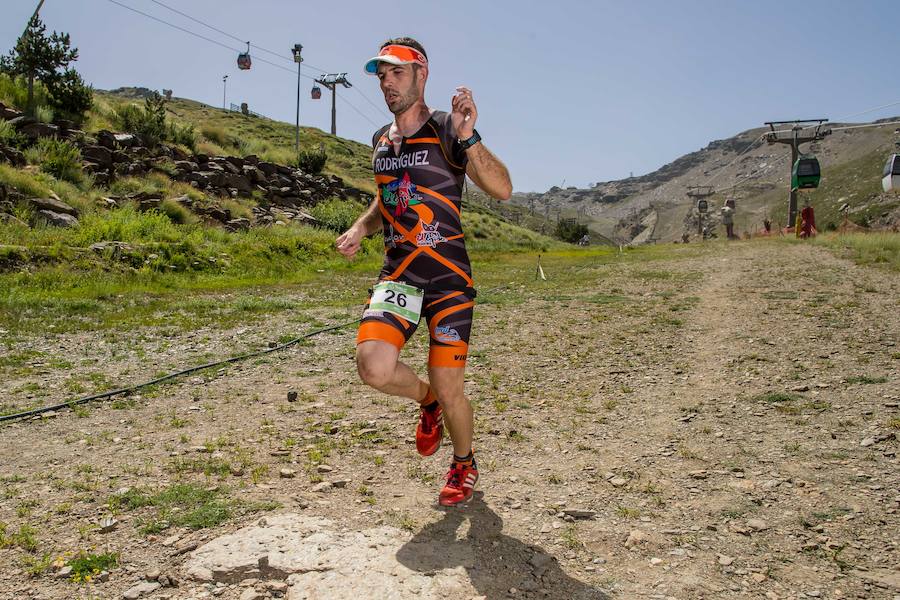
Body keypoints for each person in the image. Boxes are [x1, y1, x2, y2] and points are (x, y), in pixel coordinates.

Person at [335, 37, 512, 506]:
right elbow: (386, 196)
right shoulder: (380, 140)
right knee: (373, 368)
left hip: (449, 281)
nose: (386, 83)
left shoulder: (447, 130)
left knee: (452, 385)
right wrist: (360, 227)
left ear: (421, 73)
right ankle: (425, 400)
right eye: (381, 75)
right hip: (399, 277)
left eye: (395, 72)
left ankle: (463, 463)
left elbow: (502, 189)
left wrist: (470, 134)